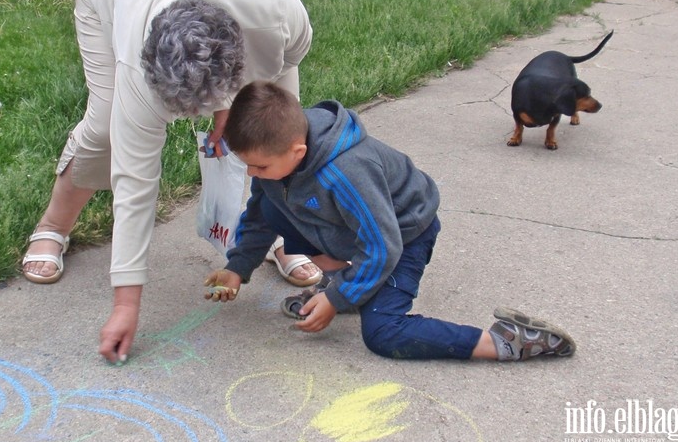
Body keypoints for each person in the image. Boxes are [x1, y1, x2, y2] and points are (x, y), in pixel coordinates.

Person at [20, 0, 322, 365]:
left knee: (273, 134)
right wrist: (127, 304)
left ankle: (278, 236)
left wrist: (233, 110)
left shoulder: (280, 17)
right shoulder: (135, 64)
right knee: (105, 127)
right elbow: (134, 183)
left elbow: (278, 104)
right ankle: (52, 226)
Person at [204, 82, 576, 361]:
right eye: (247, 164)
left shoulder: (346, 172)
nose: (253, 173)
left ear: (297, 151)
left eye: (260, 166)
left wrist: (336, 297)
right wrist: (237, 267)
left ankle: (508, 342)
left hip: (405, 234)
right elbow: (257, 216)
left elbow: (383, 245)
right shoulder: (278, 156)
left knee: (383, 332)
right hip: (361, 229)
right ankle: (351, 284)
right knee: (270, 207)